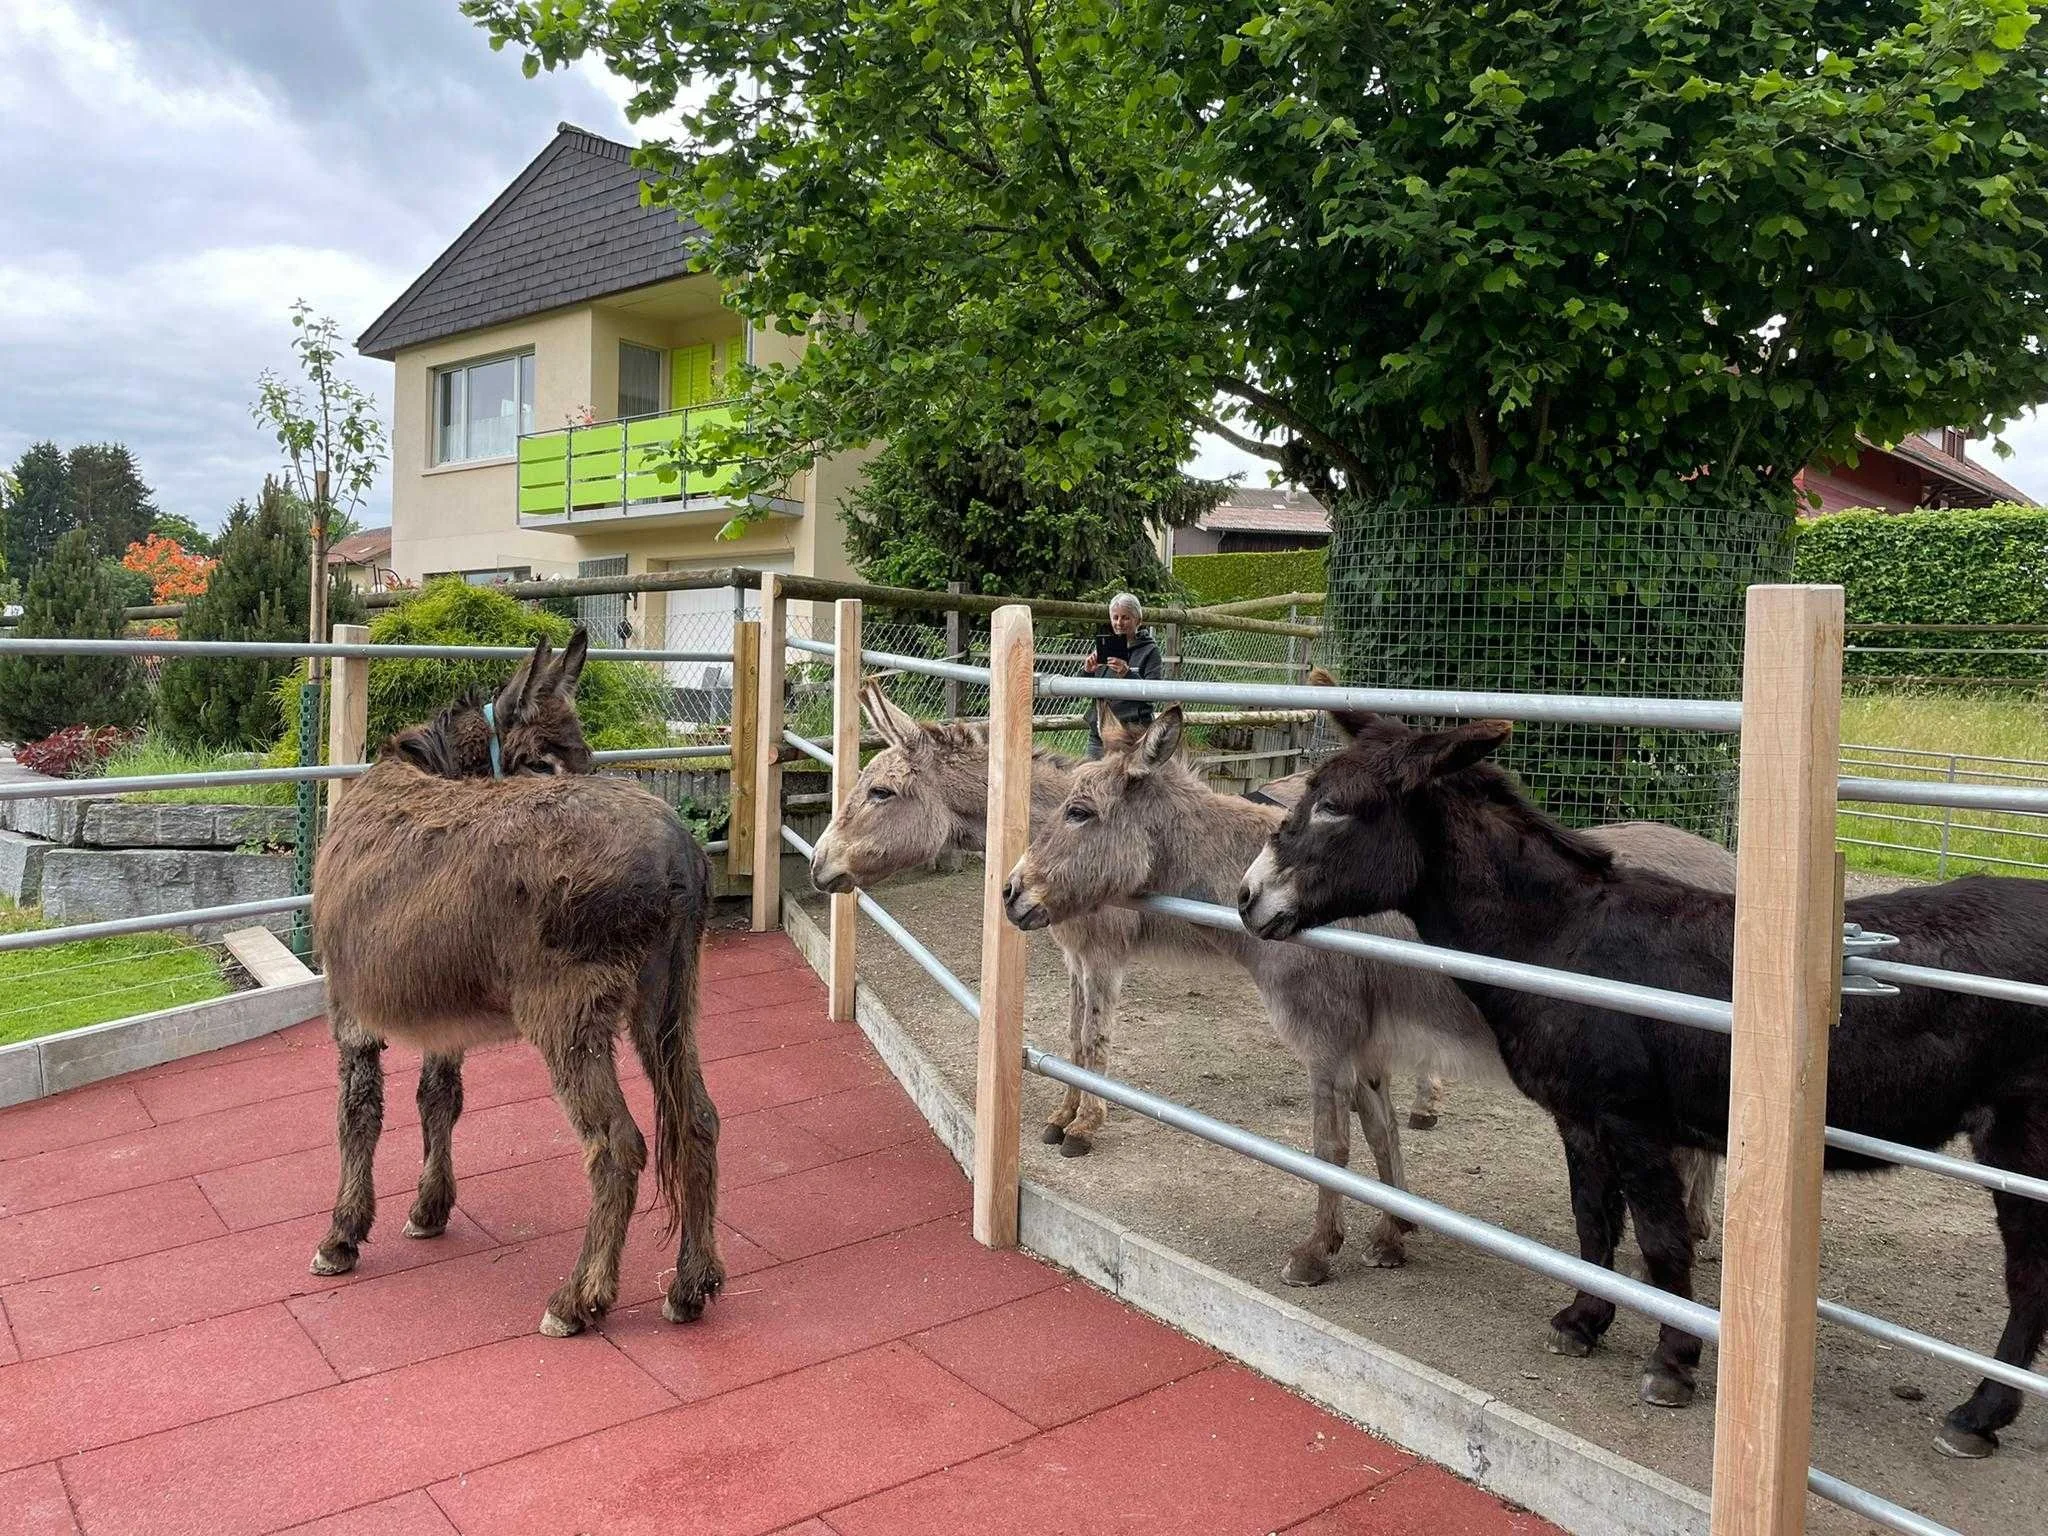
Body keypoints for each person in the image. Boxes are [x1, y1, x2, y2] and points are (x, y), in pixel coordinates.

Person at [1083, 592, 1166, 760]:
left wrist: (1126, 673)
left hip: (1132, 733)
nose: (1119, 623)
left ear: (1138, 621)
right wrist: (1088, 671)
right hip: (1100, 731)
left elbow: (1153, 693)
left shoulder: (1150, 651)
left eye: (1125, 618)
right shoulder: (1105, 646)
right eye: (1115, 617)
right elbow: (1085, 691)